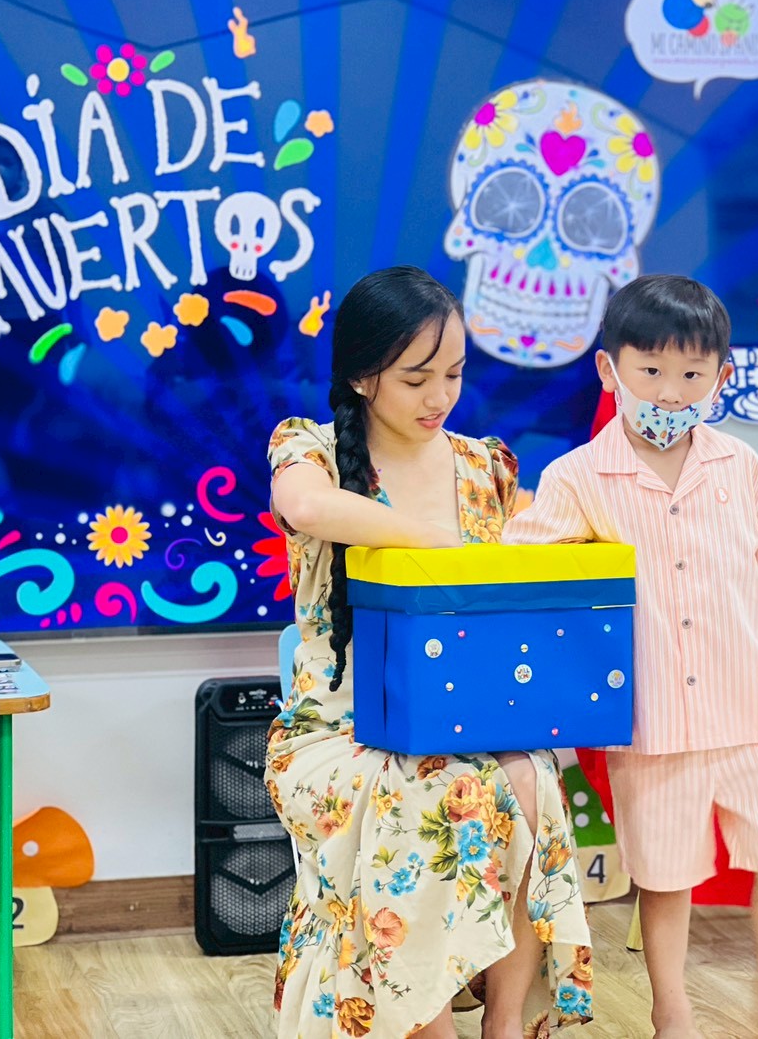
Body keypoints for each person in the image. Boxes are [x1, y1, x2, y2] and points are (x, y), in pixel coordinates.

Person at [504, 275, 758, 1039]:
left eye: (692, 374)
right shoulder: (576, 478)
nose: (669, 391)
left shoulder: (740, 467)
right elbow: (524, 573)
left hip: (756, 704)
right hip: (653, 721)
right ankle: (672, 1010)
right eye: (651, 370)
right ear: (609, 370)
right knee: (664, 877)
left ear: (722, 376)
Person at [265, 267, 593, 1039]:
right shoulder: (310, 449)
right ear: (362, 375)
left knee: (534, 782)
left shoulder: (485, 465)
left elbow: (546, 543)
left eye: (452, 374)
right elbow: (302, 505)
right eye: (416, 378)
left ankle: (503, 1022)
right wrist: (438, 545)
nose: (438, 396)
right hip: (337, 729)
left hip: (466, 717)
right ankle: (427, 1020)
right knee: (437, 796)